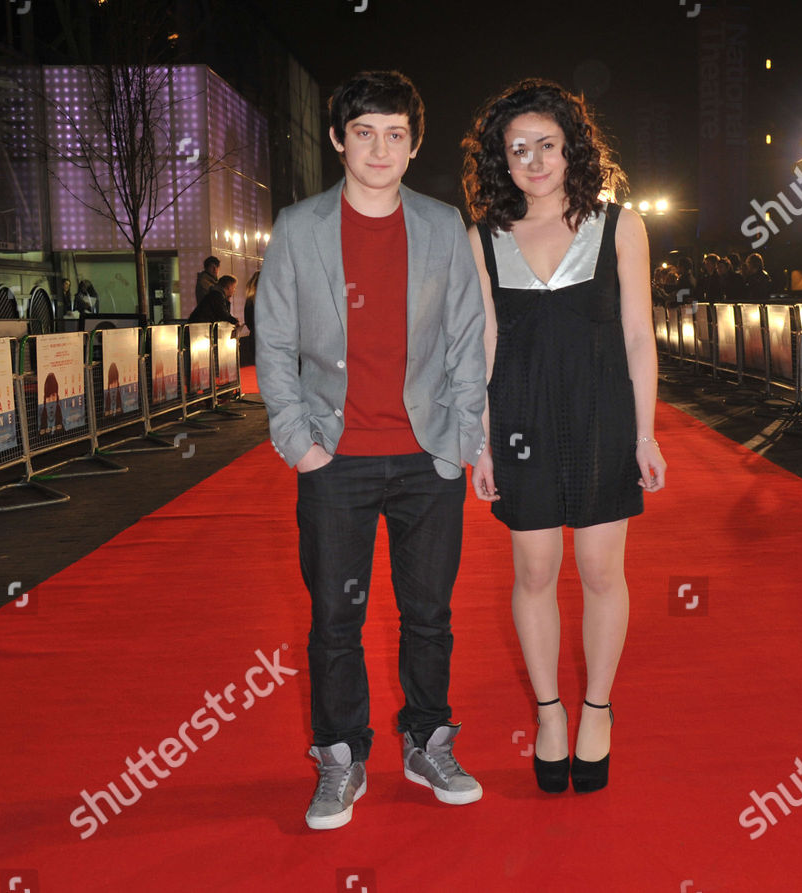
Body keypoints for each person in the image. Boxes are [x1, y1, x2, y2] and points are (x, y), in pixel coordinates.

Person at [255, 70, 487, 830]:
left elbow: (465, 338)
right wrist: (300, 444)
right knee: (334, 621)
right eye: (364, 132)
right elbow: (276, 340)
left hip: (427, 458)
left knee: (429, 613)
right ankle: (340, 755)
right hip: (335, 457)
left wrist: (459, 441)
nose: (379, 148)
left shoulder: (442, 224)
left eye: (395, 134)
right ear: (338, 139)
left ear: (413, 145)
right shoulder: (298, 226)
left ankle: (427, 738)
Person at [462, 78, 666, 796]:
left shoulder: (621, 225)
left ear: (571, 148)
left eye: (546, 144)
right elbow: (481, 345)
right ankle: (549, 712)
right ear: (502, 161)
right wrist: (480, 442)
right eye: (518, 149)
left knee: (602, 570)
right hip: (519, 417)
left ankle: (597, 708)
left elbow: (640, 336)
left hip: (603, 412)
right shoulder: (483, 237)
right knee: (534, 569)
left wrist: (646, 433)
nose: (534, 159)